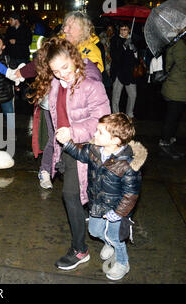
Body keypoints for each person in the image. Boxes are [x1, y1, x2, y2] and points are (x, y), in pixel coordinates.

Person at [28, 37, 110, 270]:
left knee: (72, 196)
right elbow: (56, 116)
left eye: (65, 67)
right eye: (55, 71)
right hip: (66, 149)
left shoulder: (91, 84)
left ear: (74, 59)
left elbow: (103, 120)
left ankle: (80, 249)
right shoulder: (56, 84)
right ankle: (107, 236)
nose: (62, 74)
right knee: (88, 197)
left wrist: (73, 131)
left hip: (85, 149)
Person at [9, 11, 104, 190]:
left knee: (77, 140)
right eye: (65, 24)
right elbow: (41, 63)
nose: (65, 28)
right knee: (54, 138)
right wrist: (21, 73)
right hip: (53, 103)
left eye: (70, 26)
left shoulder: (92, 50)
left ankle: (76, 178)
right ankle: (46, 171)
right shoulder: (58, 42)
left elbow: (93, 78)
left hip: (79, 109)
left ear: (82, 29)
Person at [56, 112, 147, 280]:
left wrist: (119, 213)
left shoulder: (127, 166)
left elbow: (131, 194)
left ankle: (122, 262)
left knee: (115, 236)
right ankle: (109, 243)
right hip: (97, 203)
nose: (94, 134)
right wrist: (67, 144)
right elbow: (81, 153)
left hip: (117, 209)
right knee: (94, 230)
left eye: (100, 132)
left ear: (115, 140)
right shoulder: (95, 150)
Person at [158, 35, 186, 159]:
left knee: (174, 118)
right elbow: (183, 66)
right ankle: (164, 144)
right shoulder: (179, 44)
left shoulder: (175, 43)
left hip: (177, 87)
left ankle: (168, 142)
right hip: (176, 88)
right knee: (172, 118)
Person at [110, 23, 138, 119]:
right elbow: (115, 56)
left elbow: (137, 58)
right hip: (119, 72)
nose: (123, 31)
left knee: (133, 95)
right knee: (116, 96)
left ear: (129, 30)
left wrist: (134, 50)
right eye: (121, 29)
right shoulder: (115, 40)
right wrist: (124, 46)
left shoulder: (133, 40)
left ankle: (129, 113)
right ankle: (115, 115)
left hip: (130, 73)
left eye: (125, 29)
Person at [0, 35, 16, 131]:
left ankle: (11, 135)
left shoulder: (7, 59)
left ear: (3, 46)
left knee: (9, 114)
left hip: (6, 94)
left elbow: (14, 73)